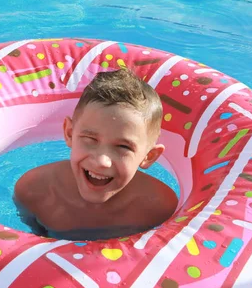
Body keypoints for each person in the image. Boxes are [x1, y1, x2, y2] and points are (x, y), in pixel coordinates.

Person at [13, 67, 178, 240]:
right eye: (90, 139)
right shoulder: (34, 191)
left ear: (148, 156)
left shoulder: (158, 207)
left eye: (123, 147)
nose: (102, 161)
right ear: (69, 133)